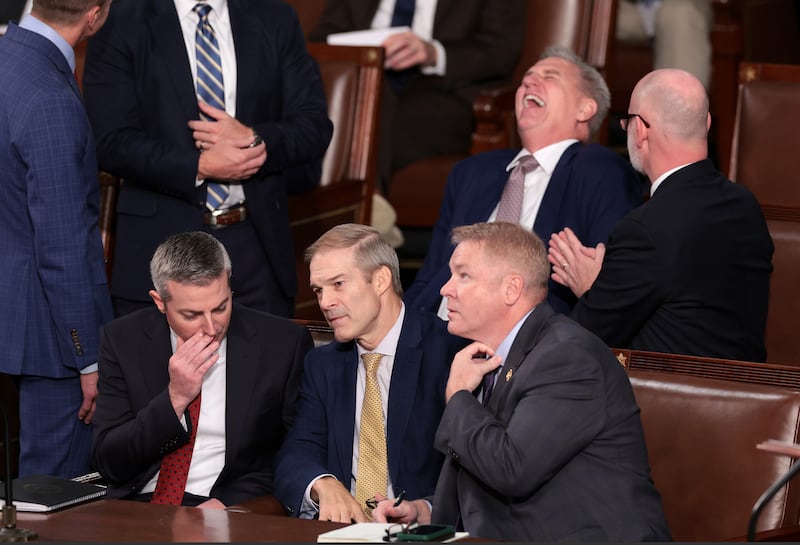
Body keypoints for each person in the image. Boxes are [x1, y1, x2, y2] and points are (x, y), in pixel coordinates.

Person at [374, 222, 670, 541]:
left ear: (511, 289)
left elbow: (512, 470)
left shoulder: (567, 357)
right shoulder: (491, 355)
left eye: (463, 275)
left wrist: (458, 394)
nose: (445, 289)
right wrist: (425, 511)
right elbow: (483, 470)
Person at [82, 0, 333, 317]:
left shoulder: (275, 16)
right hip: (161, 246)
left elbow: (314, 126)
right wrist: (198, 166)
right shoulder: (122, 19)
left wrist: (254, 139)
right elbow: (109, 140)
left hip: (255, 244)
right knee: (159, 367)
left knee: (266, 364)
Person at [549, 69, 773, 361]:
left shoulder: (644, 230)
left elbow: (582, 341)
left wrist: (595, 290)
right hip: (747, 398)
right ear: (705, 124)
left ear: (640, 130)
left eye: (627, 122)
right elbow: (689, 320)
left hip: (670, 401)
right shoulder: (746, 205)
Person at [404, 45, 644, 317]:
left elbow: (608, 283)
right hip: (438, 333)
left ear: (585, 108)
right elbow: (429, 276)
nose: (529, 81)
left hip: (525, 345)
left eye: (550, 76)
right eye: (527, 77)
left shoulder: (600, 170)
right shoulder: (472, 172)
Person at [92, 231, 312, 507]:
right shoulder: (123, 339)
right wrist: (175, 399)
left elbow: (297, 451)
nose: (211, 327)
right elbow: (109, 462)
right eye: (191, 315)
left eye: (221, 307)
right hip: (139, 504)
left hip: (227, 504)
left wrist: (231, 503)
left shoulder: (282, 344)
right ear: (160, 303)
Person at [273, 224, 466, 522]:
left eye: (338, 284)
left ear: (380, 280)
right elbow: (298, 450)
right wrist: (322, 483)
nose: (324, 302)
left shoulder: (447, 351)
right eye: (318, 290)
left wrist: (424, 508)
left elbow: (469, 471)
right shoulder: (324, 364)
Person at [0, 0, 114, 478]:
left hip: (15, 314)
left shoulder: (9, 57)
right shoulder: (50, 98)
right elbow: (62, 248)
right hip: (47, 339)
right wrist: (87, 356)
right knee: (53, 504)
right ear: (95, 14)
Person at [308, 0, 524, 191]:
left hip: (444, 92)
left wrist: (433, 53)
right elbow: (324, 39)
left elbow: (500, 52)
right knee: (320, 115)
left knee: (373, 116)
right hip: (363, 83)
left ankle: (366, 215)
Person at [617, 0, 712, 90]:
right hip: (627, 7)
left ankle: (680, 101)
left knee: (680, 15)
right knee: (605, 12)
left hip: (677, 5)